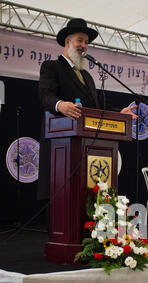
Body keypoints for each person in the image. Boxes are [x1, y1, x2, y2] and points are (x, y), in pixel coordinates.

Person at [38, 17, 136, 200]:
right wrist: (61, 105)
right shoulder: (52, 67)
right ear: (67, 42)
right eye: (79, 40)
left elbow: (97, 105)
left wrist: (119, 113)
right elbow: (46, 96)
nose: (84, 45)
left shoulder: (87, 76)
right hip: (61, 150)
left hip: (87, 151)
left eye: (86, 42)